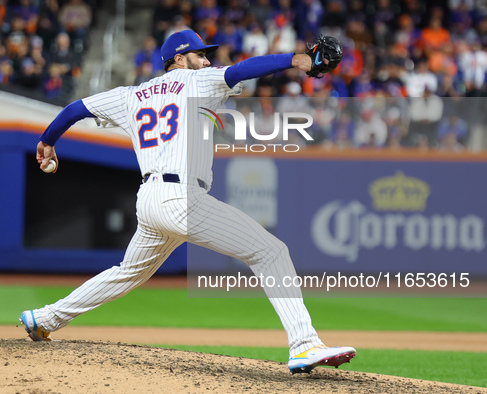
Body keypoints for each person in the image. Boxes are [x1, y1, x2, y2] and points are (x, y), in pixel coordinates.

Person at [20, 30, 355, 374]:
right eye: (200, 54)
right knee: (270, 252)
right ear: (179, 59)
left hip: (150, 200)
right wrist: (296, 60)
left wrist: (47, 141)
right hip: (182, 198)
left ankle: (44, 318)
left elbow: (77, 108)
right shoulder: (199, 82)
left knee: (126, 273)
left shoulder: (132, 95)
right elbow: (243, 70)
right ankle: (304, 344)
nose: (207, 60)